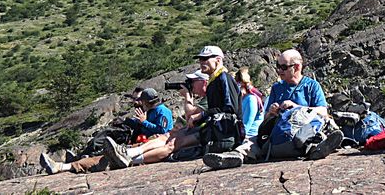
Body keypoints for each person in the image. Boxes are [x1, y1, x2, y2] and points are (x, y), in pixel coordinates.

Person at [203, 49, 342, 169]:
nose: (279, 70)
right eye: (278, 66)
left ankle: (318, 149)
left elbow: (323, 112)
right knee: (253, 142)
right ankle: (234, 157)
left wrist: (297, 107)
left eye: (283, 67)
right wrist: (270, 112)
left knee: (315, 135)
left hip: (303, 131)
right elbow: (265, 121)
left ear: (297, 67)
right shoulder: (277, 88)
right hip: (280, 132)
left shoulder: (312, 86)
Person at [105, 45, 242, 167]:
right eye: (200, 59)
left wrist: (201, 115)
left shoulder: (224, 77)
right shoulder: (214, 80)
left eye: (205, 59)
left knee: (173, 143)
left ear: (218, 60)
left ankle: (130, 160)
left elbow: (230, 109)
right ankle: (129, 152)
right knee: (168, 136)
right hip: (213, 128)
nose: (201, 62)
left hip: (223, 133)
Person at [39, 88, 168, 175]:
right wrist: (129, 121)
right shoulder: (150, 111)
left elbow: (163, 130)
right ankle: (69, 163)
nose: (138, 103)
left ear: (146, 102)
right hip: (140, 142)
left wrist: (144, 122)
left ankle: (66, 166)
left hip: (147, 144)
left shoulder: (163, 112)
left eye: (140, 101)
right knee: (105, 151)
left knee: (103, 159)